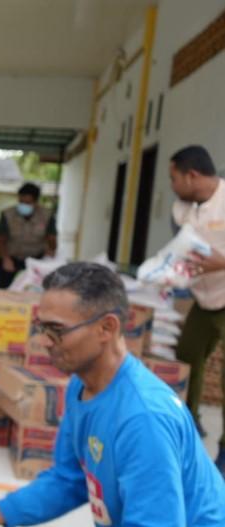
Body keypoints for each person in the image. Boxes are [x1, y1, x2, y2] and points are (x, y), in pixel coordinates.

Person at [0, 262, 225, 527]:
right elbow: (68, 480)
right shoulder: (81, 387)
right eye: (42, 327)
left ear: (107, 328)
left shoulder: (143, 419)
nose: (45, 341)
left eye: (57, 330)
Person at [169, 145, 225, 475]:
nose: (172, 185)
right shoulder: (182, 209)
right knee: (187, 358)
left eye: (174, 178)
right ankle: (188, 426)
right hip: (203, 300)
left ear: (192, 176)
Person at [0, 182, 57, 289]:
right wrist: (5, 258)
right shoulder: (8, 214)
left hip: (36, 258)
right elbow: (1, 239)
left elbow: (52, 237)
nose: (23, 205)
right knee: (2, 288)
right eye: (21, 201)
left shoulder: (47, 215)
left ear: (36, 202)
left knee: (35, 289)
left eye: (27, 202)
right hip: (12, 257)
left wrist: (51, 251)